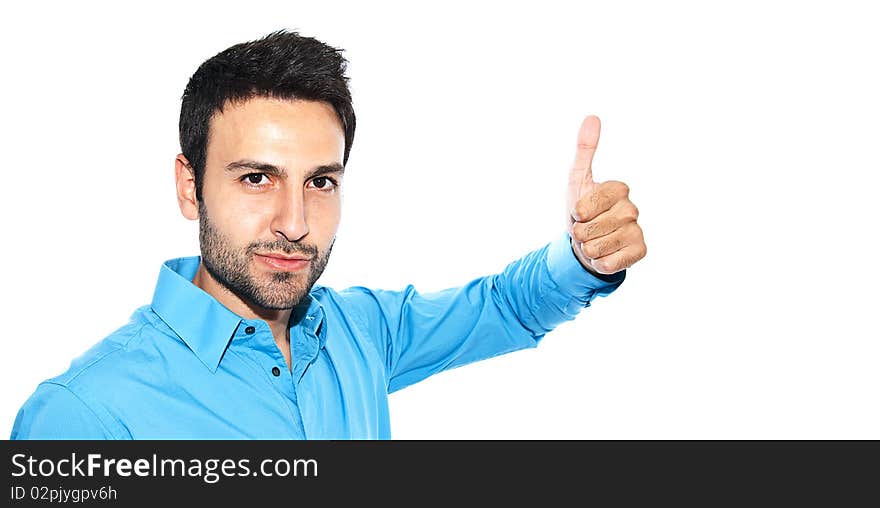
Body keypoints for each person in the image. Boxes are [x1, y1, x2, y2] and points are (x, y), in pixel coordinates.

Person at [10, 30, 646, 439]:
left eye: (320, 181)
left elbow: (502, 306)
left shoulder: (358, 334)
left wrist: (583, 257)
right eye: (257, 178)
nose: (294, 223)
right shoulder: (84, 417)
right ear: (189, 186)